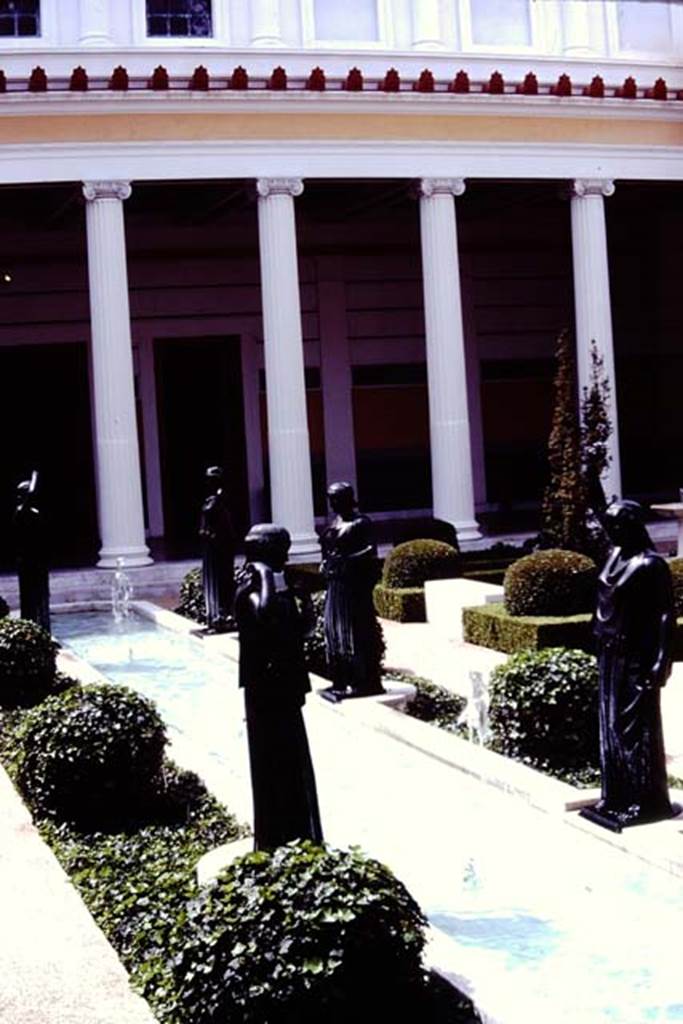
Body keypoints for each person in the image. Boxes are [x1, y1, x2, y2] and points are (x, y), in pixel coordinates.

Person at [581, 499, 678, 832]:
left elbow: (666, 616)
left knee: (634, 729)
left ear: (632, 524)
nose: (611, 530)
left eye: (616, 524)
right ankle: (616, 796)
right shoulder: (614, 554)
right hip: (610, 656)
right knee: (609, 727)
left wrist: (660, 663)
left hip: (637, 659)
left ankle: (646, 802)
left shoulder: (651, 565)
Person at [234, 523, 323, 851]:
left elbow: (302, 630)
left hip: (285, 690)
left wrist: (304, 600)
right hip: (265, 693)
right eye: (280, 550)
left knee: (293, 762)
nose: (286, 556)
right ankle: (275, 837)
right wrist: (264, 574)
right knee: (273, 764)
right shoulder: (248, 594)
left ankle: (300, 831)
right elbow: (265, 613)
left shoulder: (274, 592)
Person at [320, 481, 384, 701]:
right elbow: (328, 549)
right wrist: (327, 563)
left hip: (353, 589)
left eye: (335, 498)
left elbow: (370, 551)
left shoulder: (361, 523)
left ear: (347, 498)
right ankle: (341, 680)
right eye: (330, 498)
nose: (331, 502)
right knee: (334, 631)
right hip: (336, 585)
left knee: (354, 632)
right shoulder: (336, 521)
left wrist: (346, 560)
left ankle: (363, 681)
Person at [199, 465, 236, 633]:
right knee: (214, 580)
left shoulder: (220, 497)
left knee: (221, 580)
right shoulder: (213, 497)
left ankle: (222, 616)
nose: (208, 482)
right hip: (212, 546)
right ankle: (215, 616)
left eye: (211, 479)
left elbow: (220, 521)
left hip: (219, 546)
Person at [14, 471, 50, 632]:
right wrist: (36, 475)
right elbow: (30, 497)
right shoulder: (21, 511)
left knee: (41, 596)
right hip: (28, 563)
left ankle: (42, 627)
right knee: (30, 597)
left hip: (39, 562)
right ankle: (32, 627)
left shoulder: (33, 512)